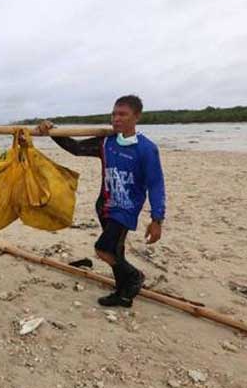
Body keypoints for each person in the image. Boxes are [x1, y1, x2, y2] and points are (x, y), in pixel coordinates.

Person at [37, 95, 166, 307]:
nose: (116, 118)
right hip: (104, 205)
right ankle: (123, 293)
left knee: (103, 250)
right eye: (114, 114)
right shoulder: (106, 142)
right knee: (116, 251)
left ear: (137, 117)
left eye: (122, 114)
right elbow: (76, 148)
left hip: (126, 209)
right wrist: (53, 131)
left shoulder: (146, 149)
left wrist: (157, 219)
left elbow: (156, 184)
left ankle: (134, 277)